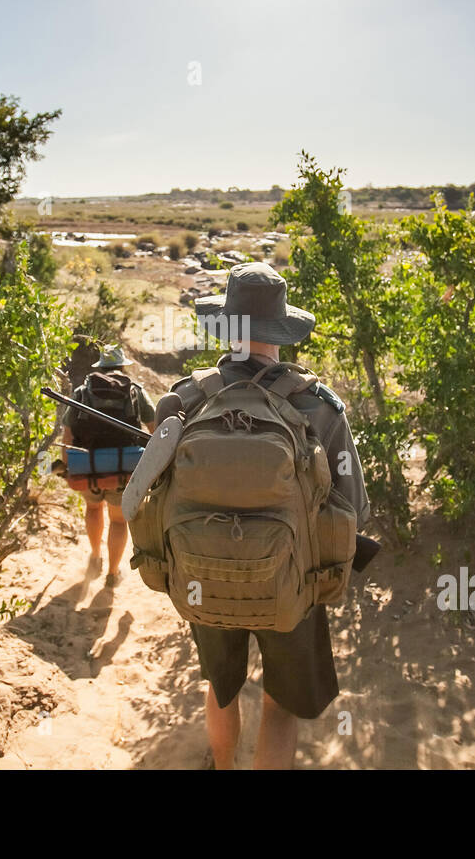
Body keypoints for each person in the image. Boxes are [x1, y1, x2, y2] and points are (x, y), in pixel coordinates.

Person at [154, 262, 370, 769]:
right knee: (280, 705)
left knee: (222, 690)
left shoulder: (183, 399)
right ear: (283, 331)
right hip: (293, 582)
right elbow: (353, 512)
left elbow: (151, 497)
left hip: (202, 577)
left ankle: (223, 765)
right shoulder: (321, 408)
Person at [62, 346, 156, 587]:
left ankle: (95, 556)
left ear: (100, 367)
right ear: (123, 366)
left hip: (87, 464)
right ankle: (113, 573)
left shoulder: (83, 391)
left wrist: (67, 466)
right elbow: (156, 431)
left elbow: (68, 433)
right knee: (118, 521)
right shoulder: (136, 391)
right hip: (124, 468)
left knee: (93, 509)